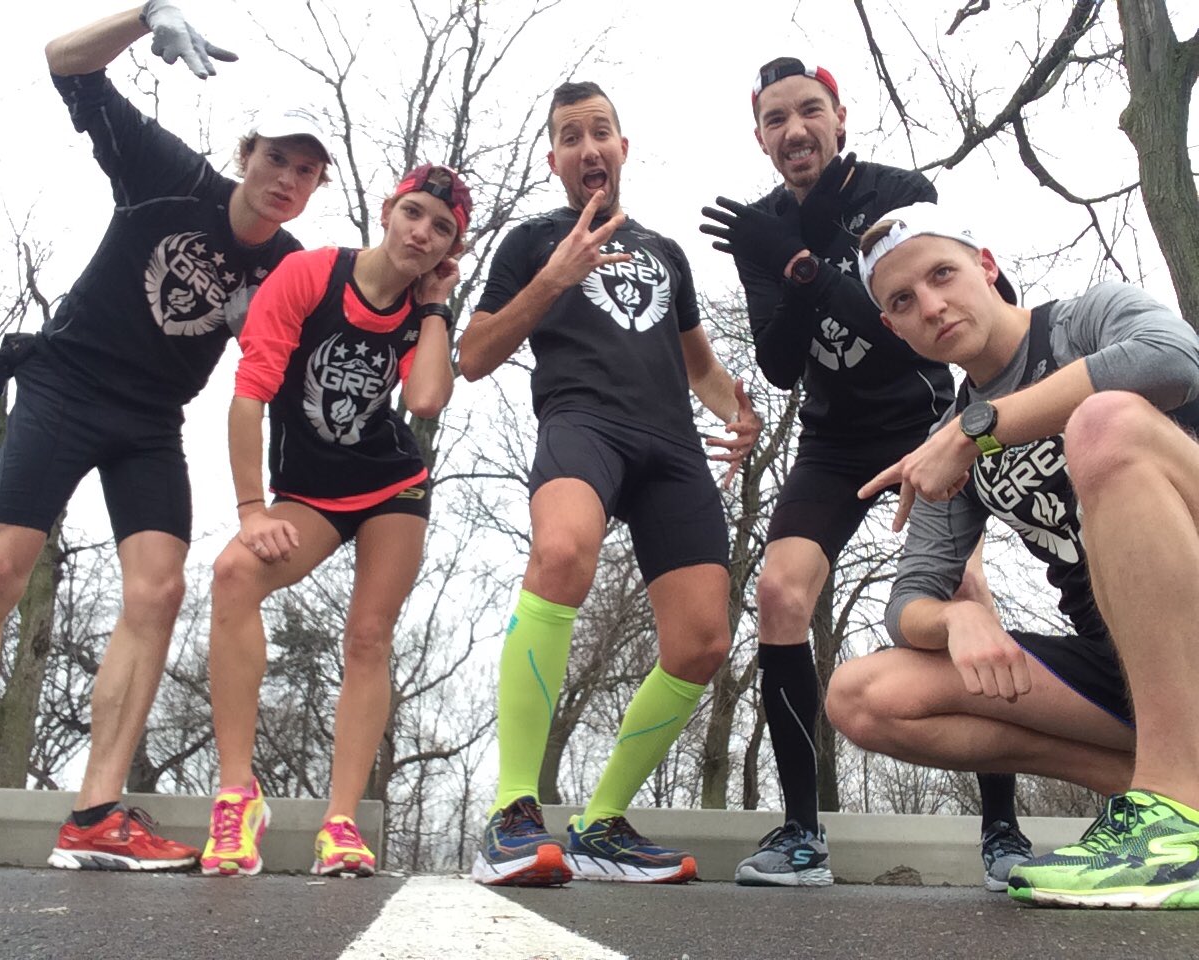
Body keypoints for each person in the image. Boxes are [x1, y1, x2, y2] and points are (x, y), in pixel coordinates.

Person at [0, 2, 329, 870]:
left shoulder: (289, 265)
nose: (286, 179)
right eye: (276, 158)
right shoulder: (167, 172)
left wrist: (428, 293)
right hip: (66, 384)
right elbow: (64, 61)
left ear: (314, 186)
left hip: (150, 423)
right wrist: (145, 15)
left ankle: (96, 815)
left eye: (305, 170)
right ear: (247, 155)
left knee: (158, 590)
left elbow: (341, 334)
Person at [699, 57, 1027, 888]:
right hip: (832, 441)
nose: (795, 129)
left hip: (924, 421)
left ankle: (1003, 830)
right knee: (780, 593)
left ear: (839, 119)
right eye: (776, 119)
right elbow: (778, 364)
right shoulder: (761, 226)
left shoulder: (897, 192)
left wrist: (803, 267)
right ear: (761, 139)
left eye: (810, 110)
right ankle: (801, 834)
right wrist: (785, 264)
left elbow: (906, 330)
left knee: (962, 593)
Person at [826, 200, 1199, 909]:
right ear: (893, 327)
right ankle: (1169, 795)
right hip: (1128, 666)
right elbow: (908, 600)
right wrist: (954, 619)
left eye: (942, 274)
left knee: (1106, 420)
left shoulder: (1084, 321)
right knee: (864, 696)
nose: (930, 305)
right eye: (902, 301)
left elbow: (1173, 357)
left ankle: (1175, 815)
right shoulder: (947, 444)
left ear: (987, 267)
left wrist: (979, 429)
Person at [459, 81, 759, 886]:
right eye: (570, 136)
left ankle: (601, 824)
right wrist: (552, 279)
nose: (588, 147)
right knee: (560, 555)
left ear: (623, 148)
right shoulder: (531, 242)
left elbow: (699, 364)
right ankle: (513, 810)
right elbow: (473, 355)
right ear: (554, 159)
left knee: (703, 642)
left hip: (671, 445)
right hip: (583, 423)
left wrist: (737, 409)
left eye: (600, 132)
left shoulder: (667, 251)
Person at [198, 164, 467, 877]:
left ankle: (341, 822)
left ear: (451, 249)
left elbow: (427, 399)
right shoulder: (311, 275)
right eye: (414, 213)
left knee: (368, 636)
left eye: (442, 229)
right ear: (387, 211)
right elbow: (251, 393)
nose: (423, 233)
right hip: (308, 493)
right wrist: (251, 511)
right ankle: (237, 796)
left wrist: (436, 308)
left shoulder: (418, 311)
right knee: (233, 575)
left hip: (390, 486)